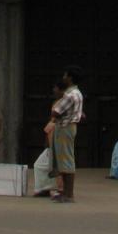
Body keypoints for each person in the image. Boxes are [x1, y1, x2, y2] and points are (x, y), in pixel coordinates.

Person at [51, 65, 84, 202]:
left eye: (65, 75)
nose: (63, 78)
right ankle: (65, 192)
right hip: (69, 126)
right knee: (64, 160)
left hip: (65, 127)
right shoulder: (77, 93)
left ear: (70, 78)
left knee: (66, 160)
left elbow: (56, 112)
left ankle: (69, 194)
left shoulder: (70, 95)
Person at [33, 81, 65, 198]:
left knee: (55, 167)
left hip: (58, 138)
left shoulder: (64, 103)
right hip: (53, 137)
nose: (54, 90)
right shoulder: (57, 103)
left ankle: (59, 189)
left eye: (55, 88)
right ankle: (45, 188)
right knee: (40, 165)